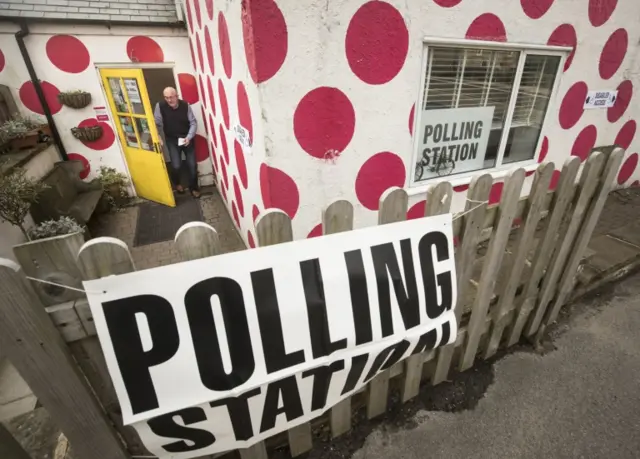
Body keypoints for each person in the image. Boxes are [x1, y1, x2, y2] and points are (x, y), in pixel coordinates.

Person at [154, 87, 200, 198]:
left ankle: (193, 188)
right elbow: (156, 124)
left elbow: (193, 123)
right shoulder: (160, 106)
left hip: (187, 139)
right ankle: (177, 183)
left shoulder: (185, 105)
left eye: (171, 97)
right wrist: (158, 136)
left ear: (176, 96)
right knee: (176, 165)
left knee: (192, 165)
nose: (169, 100)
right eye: (166, 97)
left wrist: (189, 137)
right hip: (172, 140)